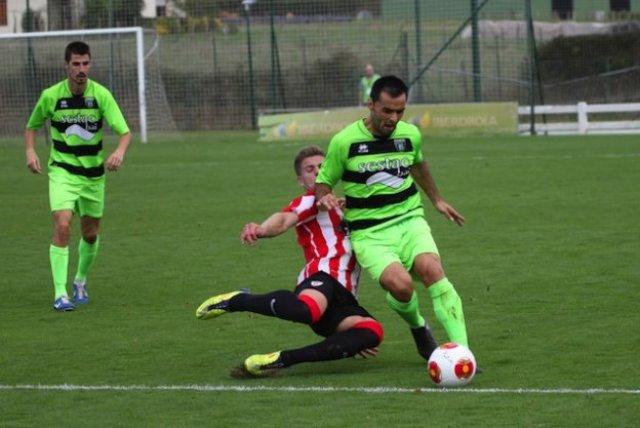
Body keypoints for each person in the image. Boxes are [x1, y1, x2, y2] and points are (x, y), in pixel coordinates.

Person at [315, 75, 469, 360]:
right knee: (401, 286)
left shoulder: (409, 135)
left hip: (410, 220)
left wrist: (437, 199)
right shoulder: (345, 141)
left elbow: (419, 164)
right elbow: (323, 182)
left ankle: (462, 353)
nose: (393, 117)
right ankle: (418, 327)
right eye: (387, 110)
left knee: (432, 271)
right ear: (371, 104)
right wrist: (324, 196)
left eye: (400, 111)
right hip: (370, 232)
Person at [196, 146, 383, 377]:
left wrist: (351, 341)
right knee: (308, 310)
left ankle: (282, 360)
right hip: (321, 276)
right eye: (310, 169)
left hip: (344, 296)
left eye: (322, 167)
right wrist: (261, 230)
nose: (317, 172)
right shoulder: (311, 202)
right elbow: (285, 219)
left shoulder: (348, 206)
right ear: (301, 180)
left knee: (371, 332)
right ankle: (238, 300)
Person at [25, 41, 132, 312]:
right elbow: (32, 126)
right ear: (67, 66)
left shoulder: (101, 95)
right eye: (76, 64)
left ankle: (80, 280)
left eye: (85, 64)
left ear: (89, 64)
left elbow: (125, 132)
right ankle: (60, 294)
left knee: (91, 233)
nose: (81, 69)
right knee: (62, 225)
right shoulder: (51, 96)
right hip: (62, 171)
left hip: (94, 176)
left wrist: (119, 151)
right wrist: (30, 151)